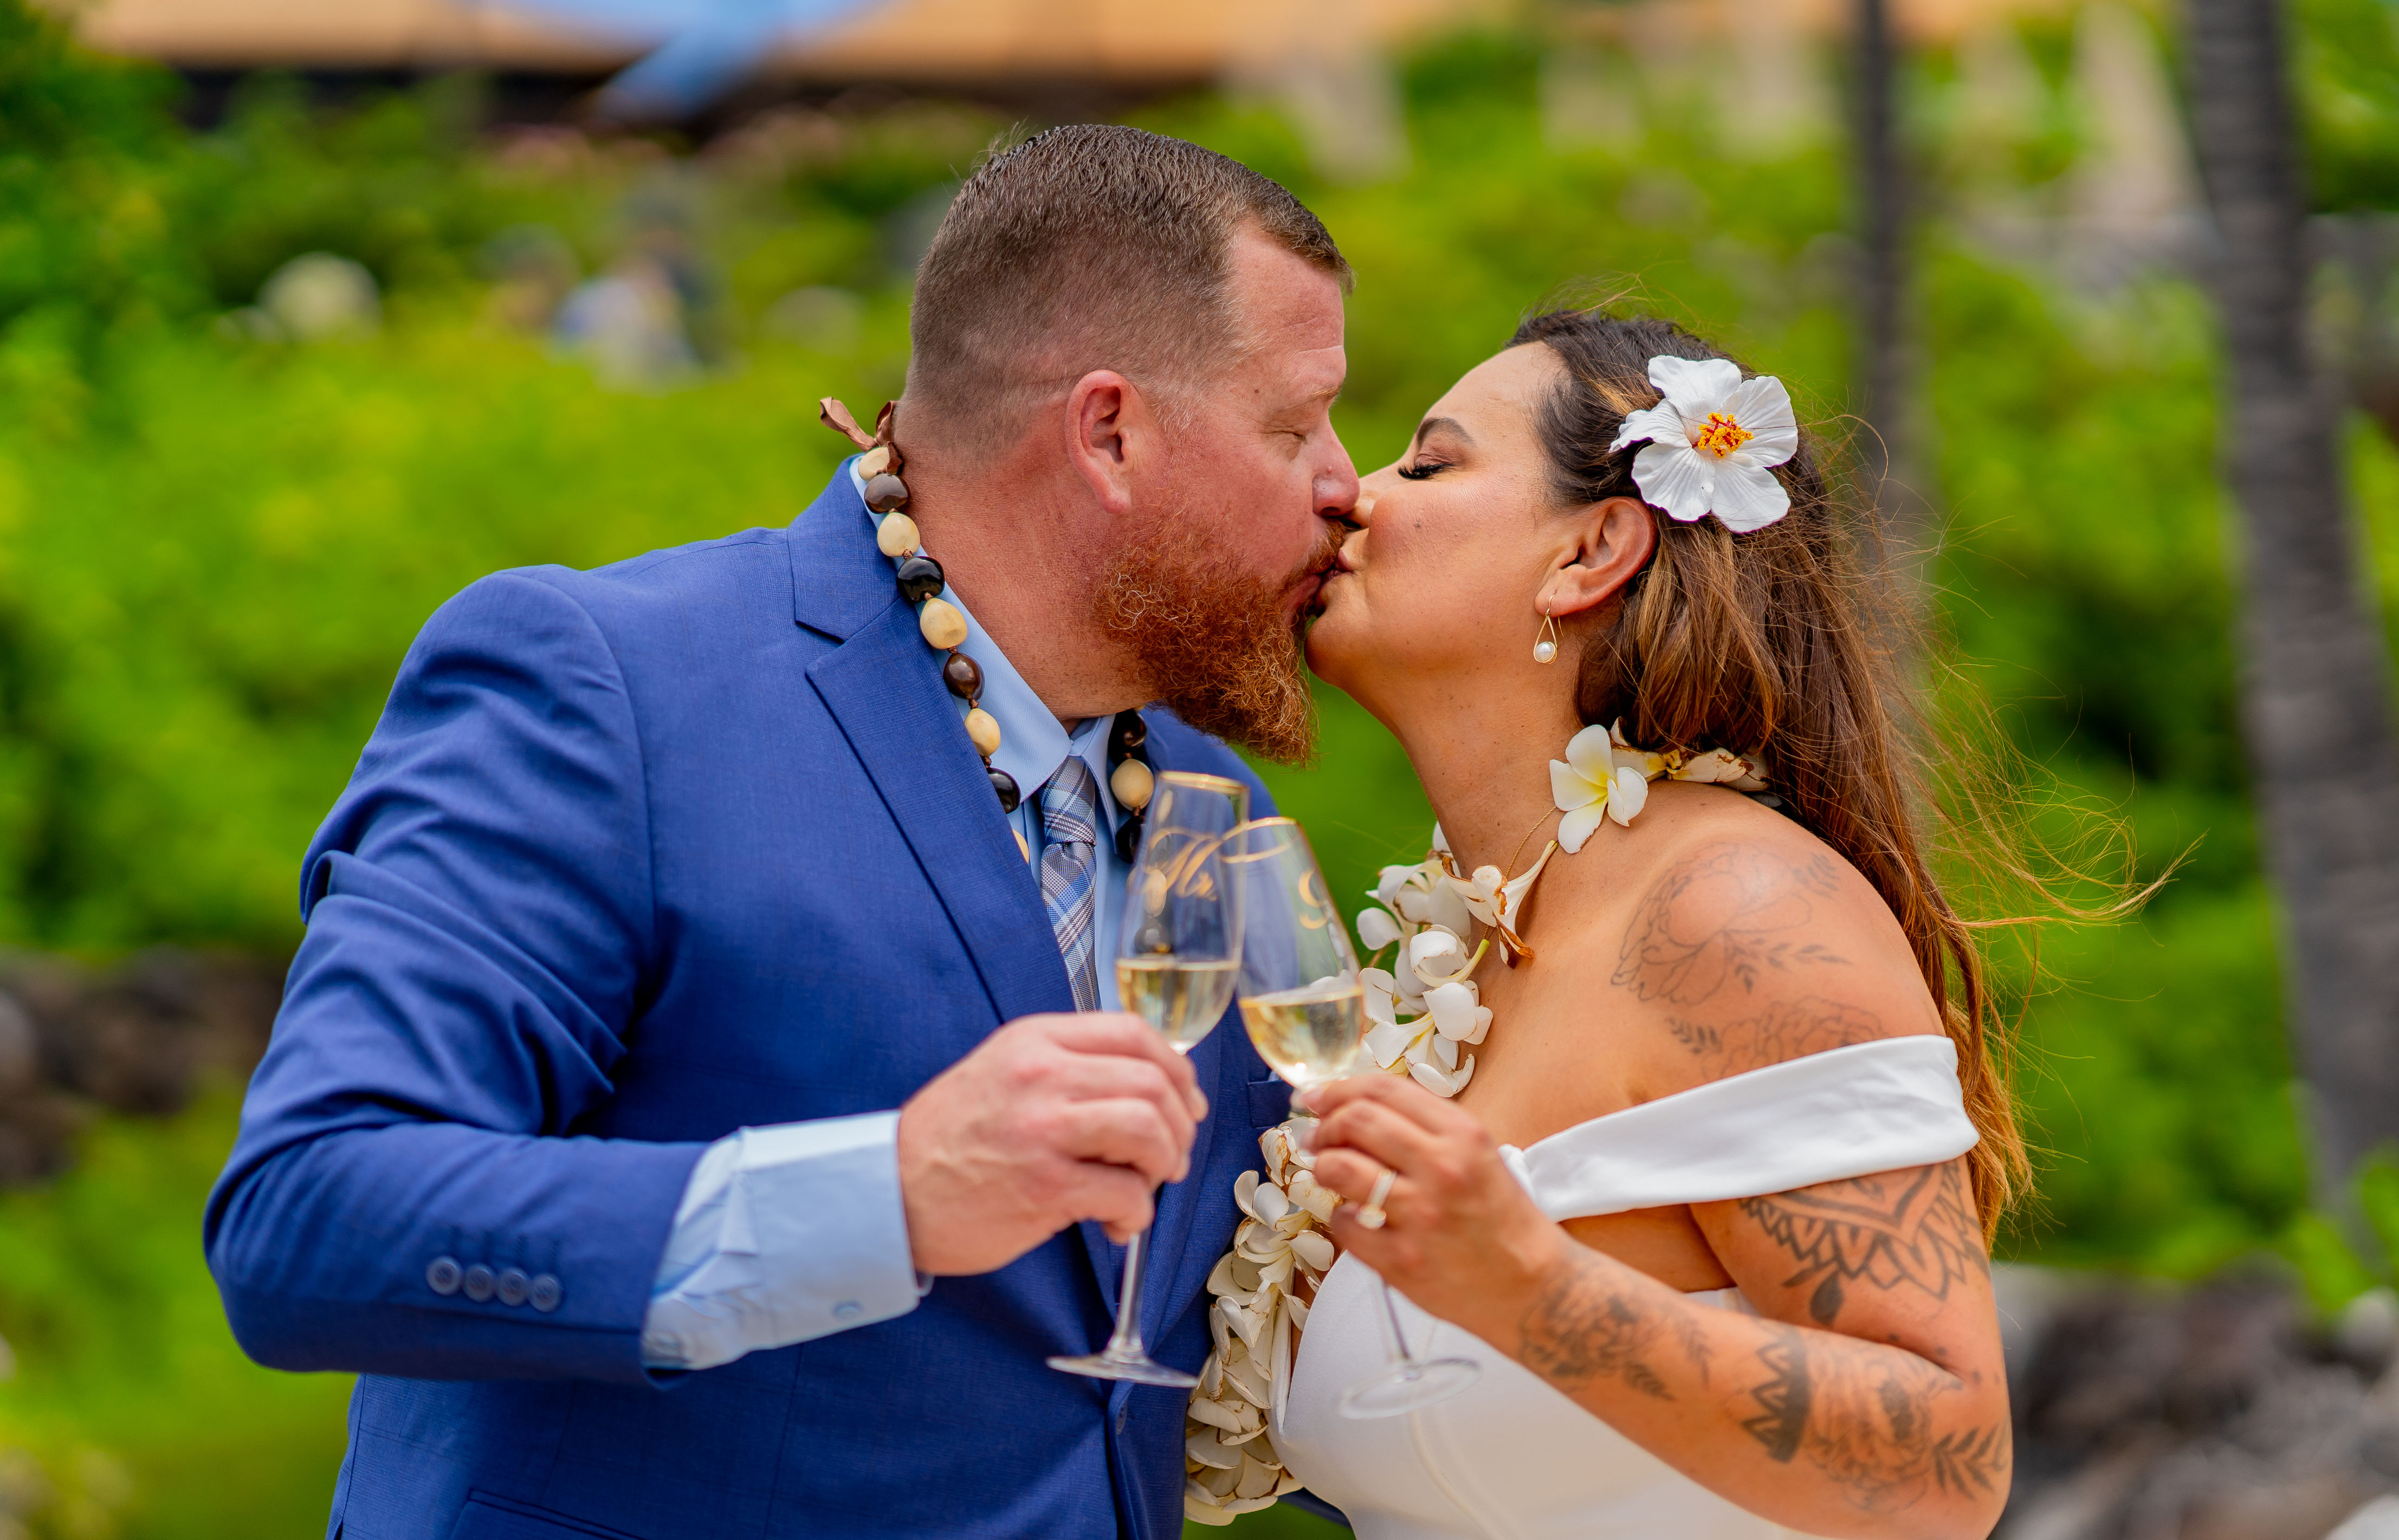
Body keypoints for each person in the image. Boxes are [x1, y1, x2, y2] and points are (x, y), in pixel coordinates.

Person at [203, 126, 1359, 1540]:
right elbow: (310, 1219)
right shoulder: (608, 689)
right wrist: (885, 1196)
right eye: (1295, 426)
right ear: (1108, 431)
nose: (1341, 485)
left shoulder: (1208, 806)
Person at [1188, 308, 2022, 1539]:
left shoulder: (1734, 912)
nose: (1352, 494)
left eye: (1427, 464)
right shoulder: (1469, 953)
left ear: (1592, 552)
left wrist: (1532, 1290)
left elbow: (1943, 1462)